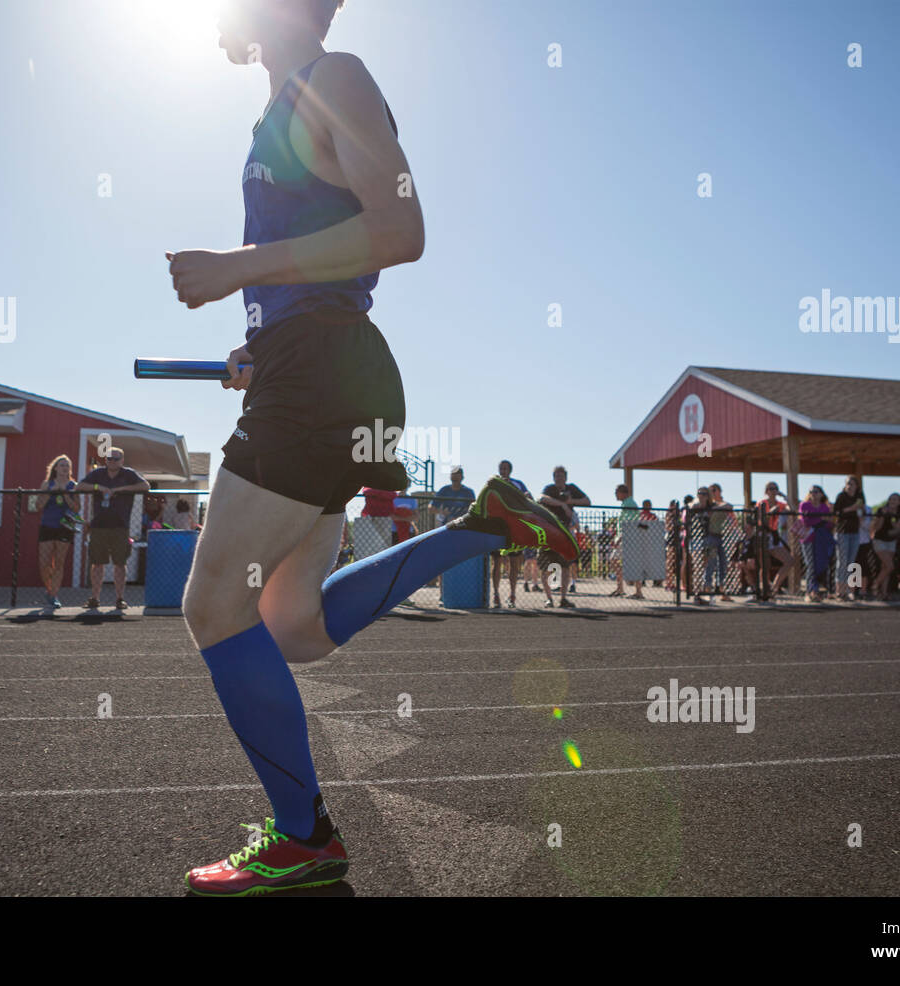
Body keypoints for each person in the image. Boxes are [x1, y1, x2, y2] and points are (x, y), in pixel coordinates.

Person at [167, 0, 578, 896]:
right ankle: (479, 528)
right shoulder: (276, 110)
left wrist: (238, 269)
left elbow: (401, 233)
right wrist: (257, 342)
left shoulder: (334, 76)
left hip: (325, 376)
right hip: (314, 369)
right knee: (293, 628)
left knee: (212, 607)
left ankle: (303, 836)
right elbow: (321, 268)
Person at [76, 448, 149, 611]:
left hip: (120, 527)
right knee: (97, 563)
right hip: (99, 526)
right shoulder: (98, 474)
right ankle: (95, 598)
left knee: (120, 563)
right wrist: (98, 488)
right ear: (105, 460)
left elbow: (145, 486)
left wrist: (121, 490)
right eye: (109, 458)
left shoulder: (128, 474)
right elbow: (79, 486)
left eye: (116, 459)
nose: (112, 461)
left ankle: (120, 598)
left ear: (122, 460)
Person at [31, 454, 80, 610]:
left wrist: (65, 494)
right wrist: (51, 492)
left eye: (67, 465)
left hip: (65, 527)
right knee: (44, 563)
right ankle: (49, 588)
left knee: (59, 562)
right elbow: (38, 506)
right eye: (62, 465)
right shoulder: (47, 484)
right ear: (55, 468)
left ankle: (53, 594)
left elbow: (76, 508)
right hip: (47, 525)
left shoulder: (74, 485)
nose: (64, 468)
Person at [538, 467, 589, 608]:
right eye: (556, 476)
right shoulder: (549, 489)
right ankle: (549, 598)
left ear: (566, 477)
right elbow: (541, 498)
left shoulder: (572, 488)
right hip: (549, 532)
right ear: (553, 477)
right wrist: (562, 504)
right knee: (545, 567)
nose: (559, 478)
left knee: (565, 566)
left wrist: (570, 501)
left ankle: (563, 598)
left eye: (561, 476)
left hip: (565, 533)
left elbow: (587, 501)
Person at [488, 461, 527, 608]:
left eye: (506, 468)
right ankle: (496, 594)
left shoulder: (518, 484)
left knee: (514, 562)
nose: (503, 470)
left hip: (514, 528)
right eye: (501, 468)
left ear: (510, 470)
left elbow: (527, 497)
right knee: (496, 561)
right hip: (498, 528)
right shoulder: (493, 484)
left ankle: (512, 595)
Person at [756, 482, 795, 600]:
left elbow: (792, 510)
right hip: (763, 534)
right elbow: (760, 520)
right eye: (771, 488)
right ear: (766, 491)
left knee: (789, 561)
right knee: (765, 565)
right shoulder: (762, 503)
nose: (773, 491)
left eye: (776, 489)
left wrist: (785, 497)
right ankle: (764, 590)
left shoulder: (780, 504)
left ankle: (774, 587)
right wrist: (770, 512)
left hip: (773, 536)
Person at [799, 485, 834, 603]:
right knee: (810, 564)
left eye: (816, 491)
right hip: (808, 538)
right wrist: (821, 519)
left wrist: (822, 520)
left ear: (821, 494)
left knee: (821, 564)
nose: (813, 493)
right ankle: (810, 591)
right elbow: (806, 521)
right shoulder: (804, 505)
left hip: (821, 539)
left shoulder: (825, 507)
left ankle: (816, 590)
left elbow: (829, 524)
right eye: (811, 491)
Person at [832, 475, 864, 602]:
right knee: (842, 561)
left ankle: (851, 591)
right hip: (842, 532)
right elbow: (837, 512)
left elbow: (862, 510)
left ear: (857, 486)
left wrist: (859, 510)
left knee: (852, 562)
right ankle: (840, 591)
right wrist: (851, 508)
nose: (850, 486)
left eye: (853, 484)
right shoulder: (841, 496)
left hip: (855, 532)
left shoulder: (860, 497)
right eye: (848, 484)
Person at [611, 483, 644, 599]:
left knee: (631, 564)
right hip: (627, 537)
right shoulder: (627, 503)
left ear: (622, 493)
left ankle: (637, 592)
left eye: (616, 492)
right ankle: (621, 588)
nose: (615, 494)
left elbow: (629, 522)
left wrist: (620, 538)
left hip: (628, 538)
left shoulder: (629, 503)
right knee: (615, 560)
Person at [870, 493, 900, 601]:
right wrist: (883, 516)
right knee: (890, 566)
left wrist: (893, 517)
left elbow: (898, 529)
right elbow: (876, 528)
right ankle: (875, 585)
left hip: (891, 542)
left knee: (885, 567)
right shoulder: (881, 510)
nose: (893, 501)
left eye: (895, 499)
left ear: (899, 502)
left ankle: (884, 593)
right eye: (891, 499)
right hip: (880, 540)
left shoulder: (899, 513)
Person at [705, 484, 733, 601]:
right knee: (710, 564)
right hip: (711, 537)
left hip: (721, 537)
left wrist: (718, 506)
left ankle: (723, 591)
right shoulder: (708, 505)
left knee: (723, 564)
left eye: (715, 490)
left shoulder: (722, 504)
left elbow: (729, 507)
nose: (713, 492)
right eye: (711, 491)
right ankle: (707, 590)